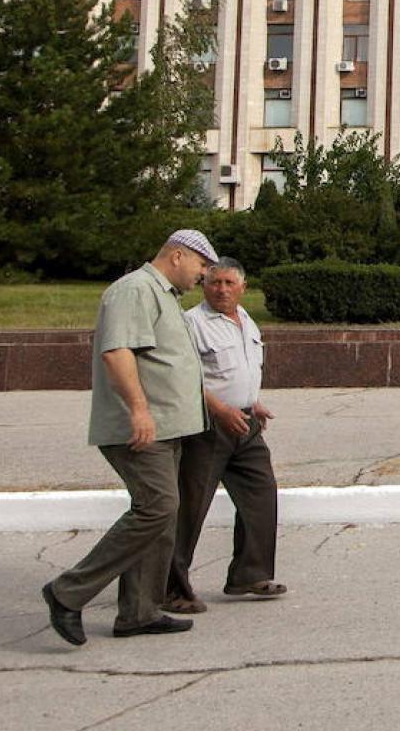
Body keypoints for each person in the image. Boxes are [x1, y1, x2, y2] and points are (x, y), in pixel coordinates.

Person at [41, 230, 217, 646]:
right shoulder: (134, 290)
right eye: (202, 267)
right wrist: (139, 409)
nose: (205, 276)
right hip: (141, 427)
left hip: (168, 426)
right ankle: (68, 592)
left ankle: (139, 612)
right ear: (177, 256)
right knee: (157, 507)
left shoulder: (164, 296)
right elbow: (116, 352)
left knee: (161, 514)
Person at [164, 259, 286, 615]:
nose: (221, 289)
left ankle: (250, 574)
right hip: (208, 426)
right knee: (190, 507)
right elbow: (184, 378)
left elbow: (240, 370)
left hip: (245, 424)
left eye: (229, 283)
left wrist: (253, 402)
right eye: (214, 282)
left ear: (243, 287)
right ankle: (170, 588)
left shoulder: (246, 320)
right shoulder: (192, 324)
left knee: (261, 495)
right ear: (204, 284)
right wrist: (220, 409)